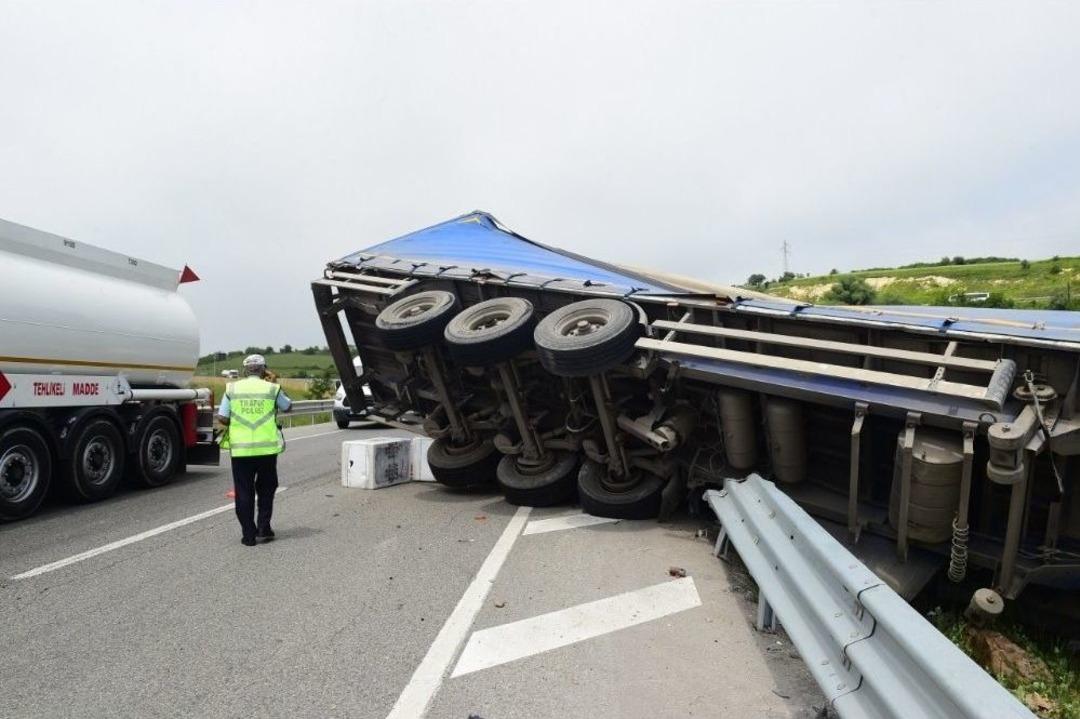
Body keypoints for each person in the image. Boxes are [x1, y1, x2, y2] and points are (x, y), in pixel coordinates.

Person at [217, 354, 292, 546]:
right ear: (264, 369)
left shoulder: (232, 388)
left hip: (241, 451)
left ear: (244, 370)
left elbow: (223, 418)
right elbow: (287, 407)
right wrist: (275, 383)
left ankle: (248, 535)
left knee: (243, 492)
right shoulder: (272, 388)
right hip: (266, 449)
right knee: (267, 489)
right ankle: (264, 529)